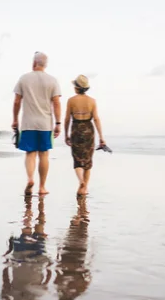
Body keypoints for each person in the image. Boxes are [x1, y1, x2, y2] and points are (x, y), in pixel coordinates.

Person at [12, 52, 62, 195]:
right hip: (45, 123)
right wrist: (58, 123)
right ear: (45, 64)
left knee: (30, 153)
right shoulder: (52, 80)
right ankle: (42, 187)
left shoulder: (24, 78)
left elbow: (17, 101)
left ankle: (30, 179)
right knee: (44, 154)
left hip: (28, 123)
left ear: (34, 63)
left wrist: (15, 119)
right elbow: (56, 103)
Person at [64, 75, 105, 196]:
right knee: (87, 161)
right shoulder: (92, 101)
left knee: (77, 160)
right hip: (89, 129)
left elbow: (67, 119)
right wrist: (101, 137)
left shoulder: (71, 100)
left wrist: (66, 134)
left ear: (76, 87)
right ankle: (84, 188)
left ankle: (81, 181)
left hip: (76, 129)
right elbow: (96, 119)